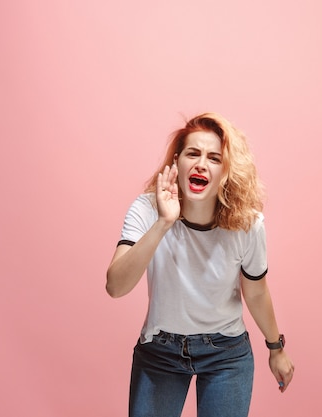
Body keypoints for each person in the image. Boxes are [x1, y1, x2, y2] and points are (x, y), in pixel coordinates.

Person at [106, 112, 294, 417]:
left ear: (225, 171)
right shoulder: (147, 208)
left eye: (214, 158)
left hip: (226, 355)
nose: (201, 163)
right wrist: (164, 223)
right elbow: (115, 286)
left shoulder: (248, 224)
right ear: (177, 162)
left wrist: (276, 349)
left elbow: (256, 293)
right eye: (193, 154)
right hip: (160, 353)